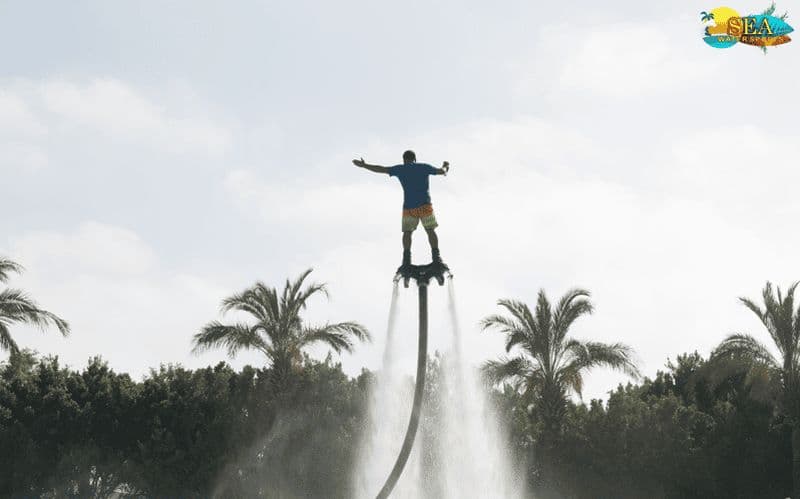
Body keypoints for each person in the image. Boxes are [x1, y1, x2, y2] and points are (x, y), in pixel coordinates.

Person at [353, 150, 450, 271]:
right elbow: (442, 171)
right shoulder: (423, 167)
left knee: (407, 233)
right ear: (415, 159)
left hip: (409, 208)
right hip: (425, 206)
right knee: (430, 230)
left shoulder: (400, 169)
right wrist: (446, 166)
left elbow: (381, 169)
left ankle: (406, 260)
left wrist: (364, 165)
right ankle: (436, 257)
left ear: (404, 160)